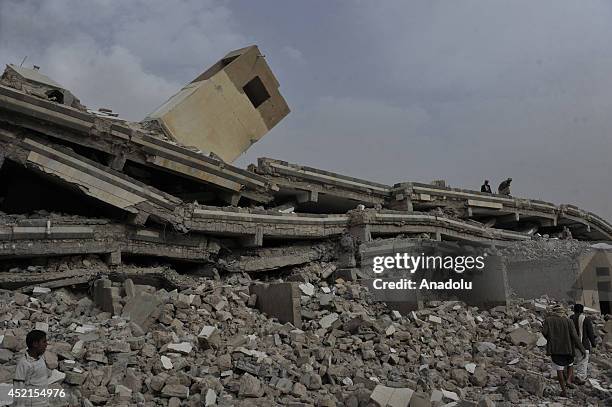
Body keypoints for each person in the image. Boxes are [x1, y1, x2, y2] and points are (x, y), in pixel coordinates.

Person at [542, 305, 586, 397]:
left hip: (556, 349)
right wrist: (582, 349)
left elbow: (544, 332)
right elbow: (575, 336)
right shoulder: (569, 321)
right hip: (568, 348)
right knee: (570, 365)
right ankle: (569, 381)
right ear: (563, 312)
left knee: (559, 370)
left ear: (554, 311)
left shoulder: (548, 320)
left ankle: (564, 390)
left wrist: (550, 338)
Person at [13, 329, 49, 407]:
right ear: (35, 344)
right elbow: (18, 388)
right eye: (44, 342)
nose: (46, 344)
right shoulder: (24, 364)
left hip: (43, 402)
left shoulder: (40, 358)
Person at [570, 304, 597, 384]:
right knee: (583, 361)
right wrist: (594, 345)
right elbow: (590, 333)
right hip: (583, 345)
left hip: (572, 345)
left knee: (571, 362)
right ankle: (580, 377)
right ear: (582, 310)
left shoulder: (570, 318)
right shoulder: (586, 319)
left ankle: (569, 376)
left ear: (574, 310)